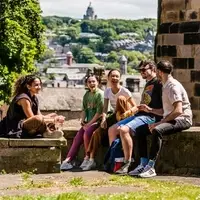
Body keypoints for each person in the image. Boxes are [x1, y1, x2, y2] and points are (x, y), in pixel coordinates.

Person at [131, 60, 192, 178]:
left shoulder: (172, 86)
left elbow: (178, 110)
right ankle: (143, 164)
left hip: (183, 119)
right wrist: (150, 110)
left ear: (159, 72)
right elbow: (165, 111)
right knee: (140, 130)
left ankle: (151, 167)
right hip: (172, 118)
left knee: (157, 130)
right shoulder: (165, 85)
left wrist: (160, 122)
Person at [108, 61, 163, 174]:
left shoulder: (158, 83)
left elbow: (163, 104)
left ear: (152, 68)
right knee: (112, 129)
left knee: (123, 130)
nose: (141, 72)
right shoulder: (148, 83)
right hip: (140, 114)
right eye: (140, 70)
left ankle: (127, 163)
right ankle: (115, 160)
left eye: (144, 70)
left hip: (150, 116)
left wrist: (153, 112)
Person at [82, 69, 138, 171]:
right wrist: (103, 119)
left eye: (117, 76)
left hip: (126, 115)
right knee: (96, 133)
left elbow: (135, 107)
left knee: (121, 98)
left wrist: (126, 113)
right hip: (114, 115)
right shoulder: (107, 91)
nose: (114, 78)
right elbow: (105, 109)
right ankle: (91, 159)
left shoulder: (124, 91)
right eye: (112, 76)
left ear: (120, 78)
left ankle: (113, 158)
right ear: (108, 78)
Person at [60, 75, 104, 171]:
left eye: (93, 81)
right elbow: (84, 110)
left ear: (98, 82)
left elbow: (99, 113)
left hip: (98, 121)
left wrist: (88, 124)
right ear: (87, 84)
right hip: (89, 122)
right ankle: (68, 160)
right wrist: (83, 121)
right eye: (89, 82)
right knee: (77, 138)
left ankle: (87, 158)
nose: (91, 84)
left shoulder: (100, 94)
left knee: (87, 134)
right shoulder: (87, 95)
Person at [0, 74, 65, 138]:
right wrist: (53, 120)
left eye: (40, 84)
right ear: (28, 86)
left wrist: (52, 117)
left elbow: (39, 115)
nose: (39, 87)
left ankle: (48, 132)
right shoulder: (23, 98)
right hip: (16, 127)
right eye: (36, 85)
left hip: (28, 124)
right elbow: (32, 118)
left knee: (51, 116)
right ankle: (47, 132)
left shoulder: (34, 98)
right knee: (39, 119)